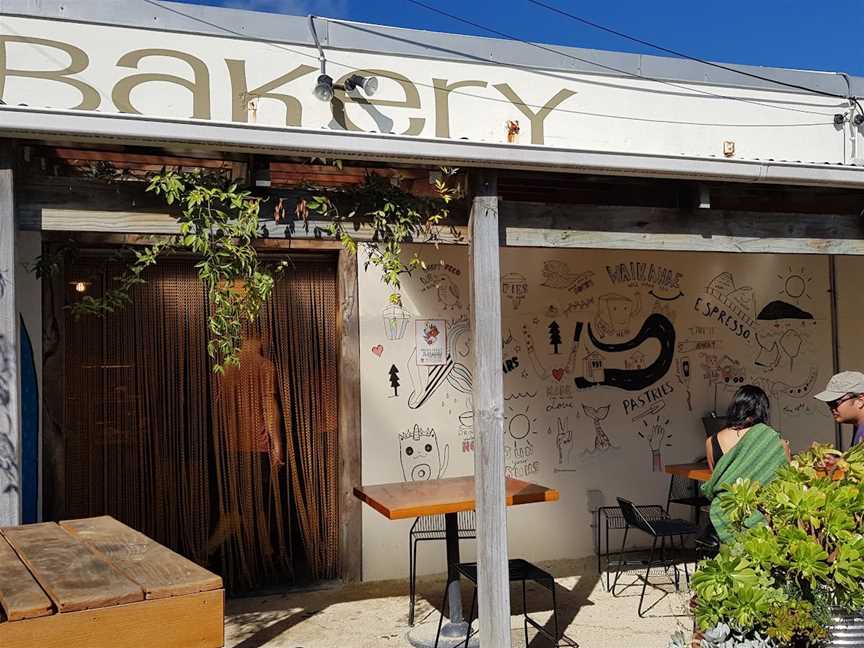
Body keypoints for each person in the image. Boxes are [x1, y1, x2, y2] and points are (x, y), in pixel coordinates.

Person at [700, 385, 790, 543]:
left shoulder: (711, 441)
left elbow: (717, 478)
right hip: (762, 516)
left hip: (725, 512)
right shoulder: (772, 440)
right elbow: (785, 479)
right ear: (762, 409)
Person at [813, 371, 864, 447]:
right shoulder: (859, 426)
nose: (832, 408)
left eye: (835, 403)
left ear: (860, 401)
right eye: (829, 403)